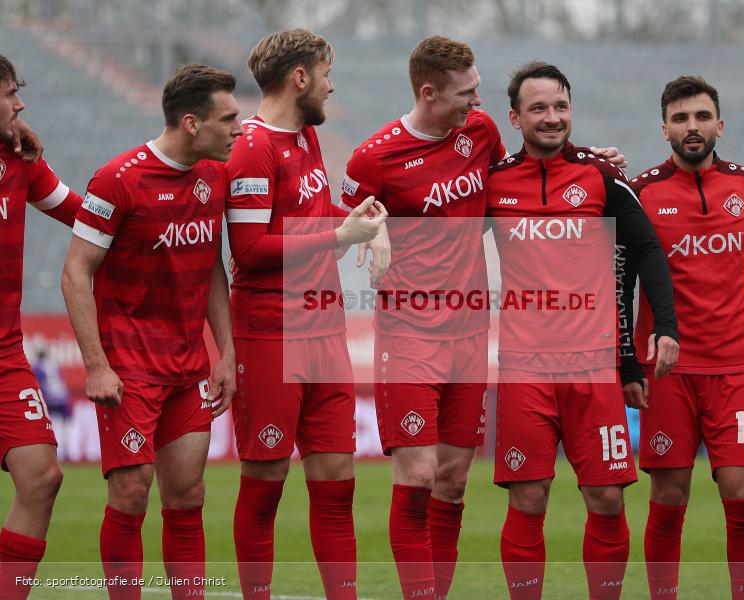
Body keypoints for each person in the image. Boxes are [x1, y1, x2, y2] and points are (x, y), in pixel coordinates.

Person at [340, 36, 626, 600]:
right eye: (467, 94)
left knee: (451, 482)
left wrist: (594, 159)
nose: (478, 103)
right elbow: (338, 225)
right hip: (409, 333)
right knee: (418, 476)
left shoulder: (481, 133)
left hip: (471, 331)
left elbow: (532, 169)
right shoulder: (372, 158)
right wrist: (368, 236)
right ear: (429, 92)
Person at [486, 61, 679, 600]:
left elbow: (646, 249)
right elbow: (442, 237)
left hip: (592, 370)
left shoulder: (600, 177)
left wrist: (663, 327)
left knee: (608, 501)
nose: (552, 118)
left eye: (561, 107)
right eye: (539, 108)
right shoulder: (494, 181)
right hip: (525, 369)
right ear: (515, 117)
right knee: (528, 498)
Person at [61, 63, 239, 600]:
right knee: (133, 495)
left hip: (188, 369)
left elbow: (212, 266)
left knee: (186, 495)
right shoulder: (117, 179)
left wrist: (226, 353)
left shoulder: (214, 175)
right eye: (228, 118)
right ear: (191, 122)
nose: (238, 127)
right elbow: (75, 271)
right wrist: (96, 366)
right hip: (130, 368)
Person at [624, 75, 744, 600]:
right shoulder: (641, 193)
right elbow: (622, 280)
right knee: (669, 495)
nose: (692, 127)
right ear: (665, 130)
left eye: (702, 117)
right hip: (667, 370)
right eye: (680, 119)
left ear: (720, 124)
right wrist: (627, 359)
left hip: (736, 365)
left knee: (742, 493)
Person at [225, 29, 387, 600]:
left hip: (325, 328)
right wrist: (338, 231)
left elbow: (314, 224)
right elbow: (249, 250)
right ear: (300, 79)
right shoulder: (251, 145)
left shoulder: (305, 140)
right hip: (271, 332)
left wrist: (351, 218)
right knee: (266, 482)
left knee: (337, 483)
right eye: (325, 74)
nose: (331, 85)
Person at [0, 53, 83, 599]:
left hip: (4, 355)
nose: (21, 103)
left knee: (42, 476)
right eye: (10, 93)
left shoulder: (19, 159)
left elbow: (78, 212)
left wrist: (149, 210)